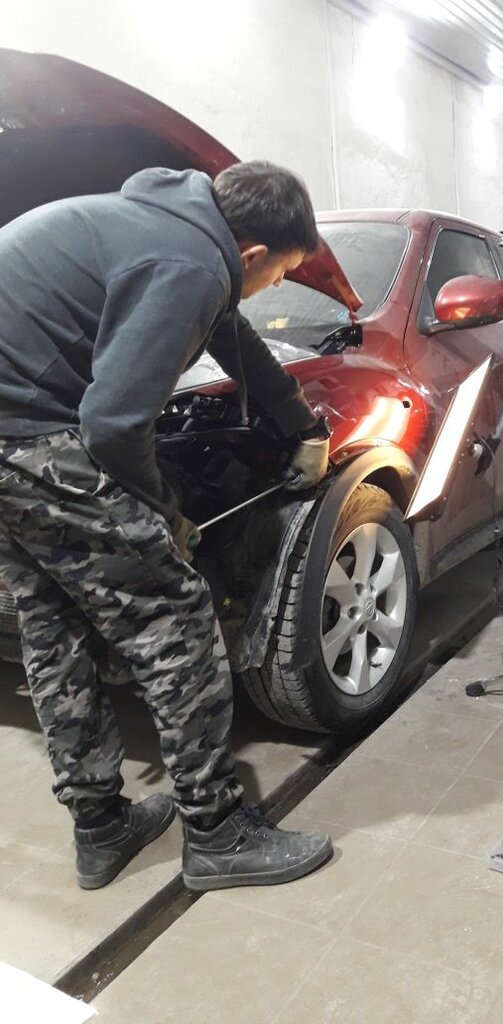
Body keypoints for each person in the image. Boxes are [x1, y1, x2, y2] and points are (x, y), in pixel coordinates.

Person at [0, 160, 334, 891]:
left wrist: (299, 421)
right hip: (30, 438)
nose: (273, 286)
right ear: (252, 252)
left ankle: (101, 826)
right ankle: (217, 833)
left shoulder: (167, 224)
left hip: (8, 440)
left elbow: (232, 336)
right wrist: (165, 513)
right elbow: (113, 424)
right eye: (280, 274)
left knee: (55, 623)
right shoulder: (190, 262)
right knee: (176, 619)